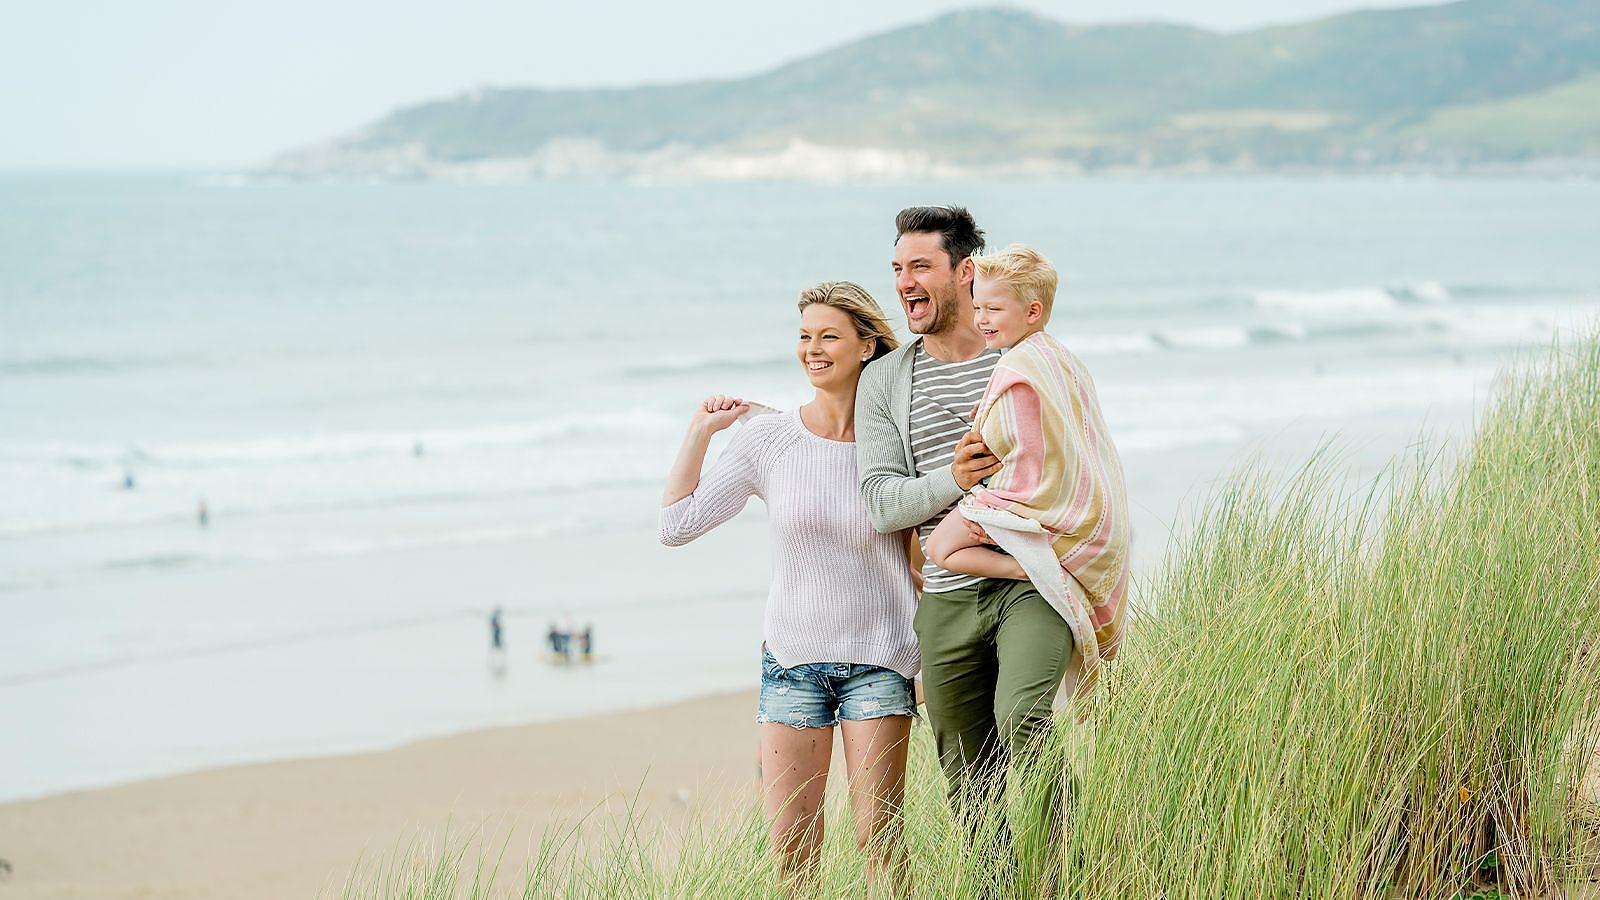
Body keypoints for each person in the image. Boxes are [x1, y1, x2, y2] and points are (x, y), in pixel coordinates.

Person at [660, 282, 920, 889]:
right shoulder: (769, 439)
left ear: (867, 346)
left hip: (881, 659)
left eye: (829, 335)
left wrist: (933, 652)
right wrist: (701, 431)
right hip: (791, 662)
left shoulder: (899, 444)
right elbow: (676, 525)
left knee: (880, 846)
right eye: (804, 336)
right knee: (793, 855)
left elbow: (923, 556)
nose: (812, 349)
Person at [854, 207, 1072, 824]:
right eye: (897, 268)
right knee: (968, 781)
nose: (903, 283)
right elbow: (881, 503)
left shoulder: (1027, 358)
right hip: (946, 594)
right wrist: (956, 478)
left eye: (920, 266)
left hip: (1028, 576)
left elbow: (1076, 459)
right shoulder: (886, 381)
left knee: (1026, 720)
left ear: (965, 271)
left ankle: (1065, 871)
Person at [925, 244, 1129, 676]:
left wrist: (977, 432)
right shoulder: (1061, 358)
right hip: (1071, 498)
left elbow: (994, 441)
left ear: (1032, 311)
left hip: (1029, 498)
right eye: (977, 306)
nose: (981, 319)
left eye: (994, 309)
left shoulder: (1016, 365)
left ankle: (1025, 568)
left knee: (941, 547)